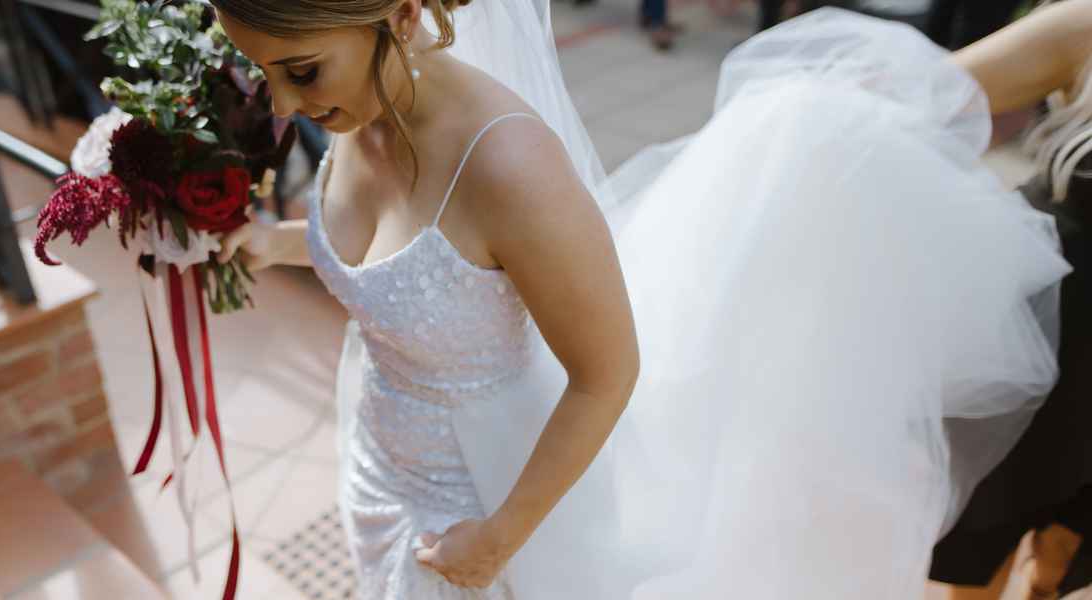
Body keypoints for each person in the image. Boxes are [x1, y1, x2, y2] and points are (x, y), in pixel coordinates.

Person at [212, 1, 1069, 597]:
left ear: (396, 15)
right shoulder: (359, 112)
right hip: (383, 469)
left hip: (488, 504)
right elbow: (394, 263)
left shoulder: (508, 167)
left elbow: (607, 372)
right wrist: (270, 243)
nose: (286, 107)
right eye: (265, 75)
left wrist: (503, 535)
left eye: (301, 70)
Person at [932, 3, 1092, 599]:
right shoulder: (1086, 26)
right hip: (1051, 337)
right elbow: (902, 87)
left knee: (1060, 560)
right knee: (982, 553)